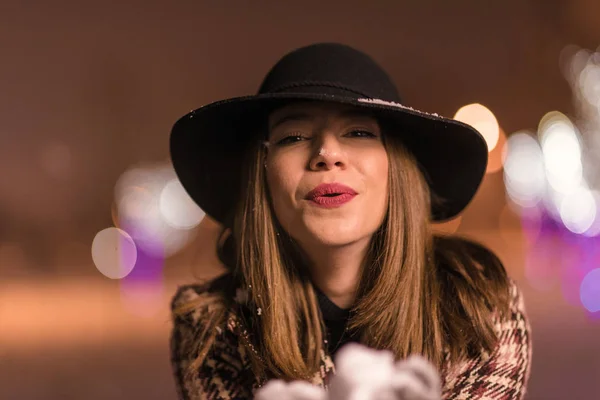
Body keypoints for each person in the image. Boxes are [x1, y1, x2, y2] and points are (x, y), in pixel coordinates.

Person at [168, 43, 532, 399]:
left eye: (359, 132)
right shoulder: (212, 327)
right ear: (261, 175)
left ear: (396, 167)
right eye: (293, 136)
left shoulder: (480, 304)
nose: (327, 154)